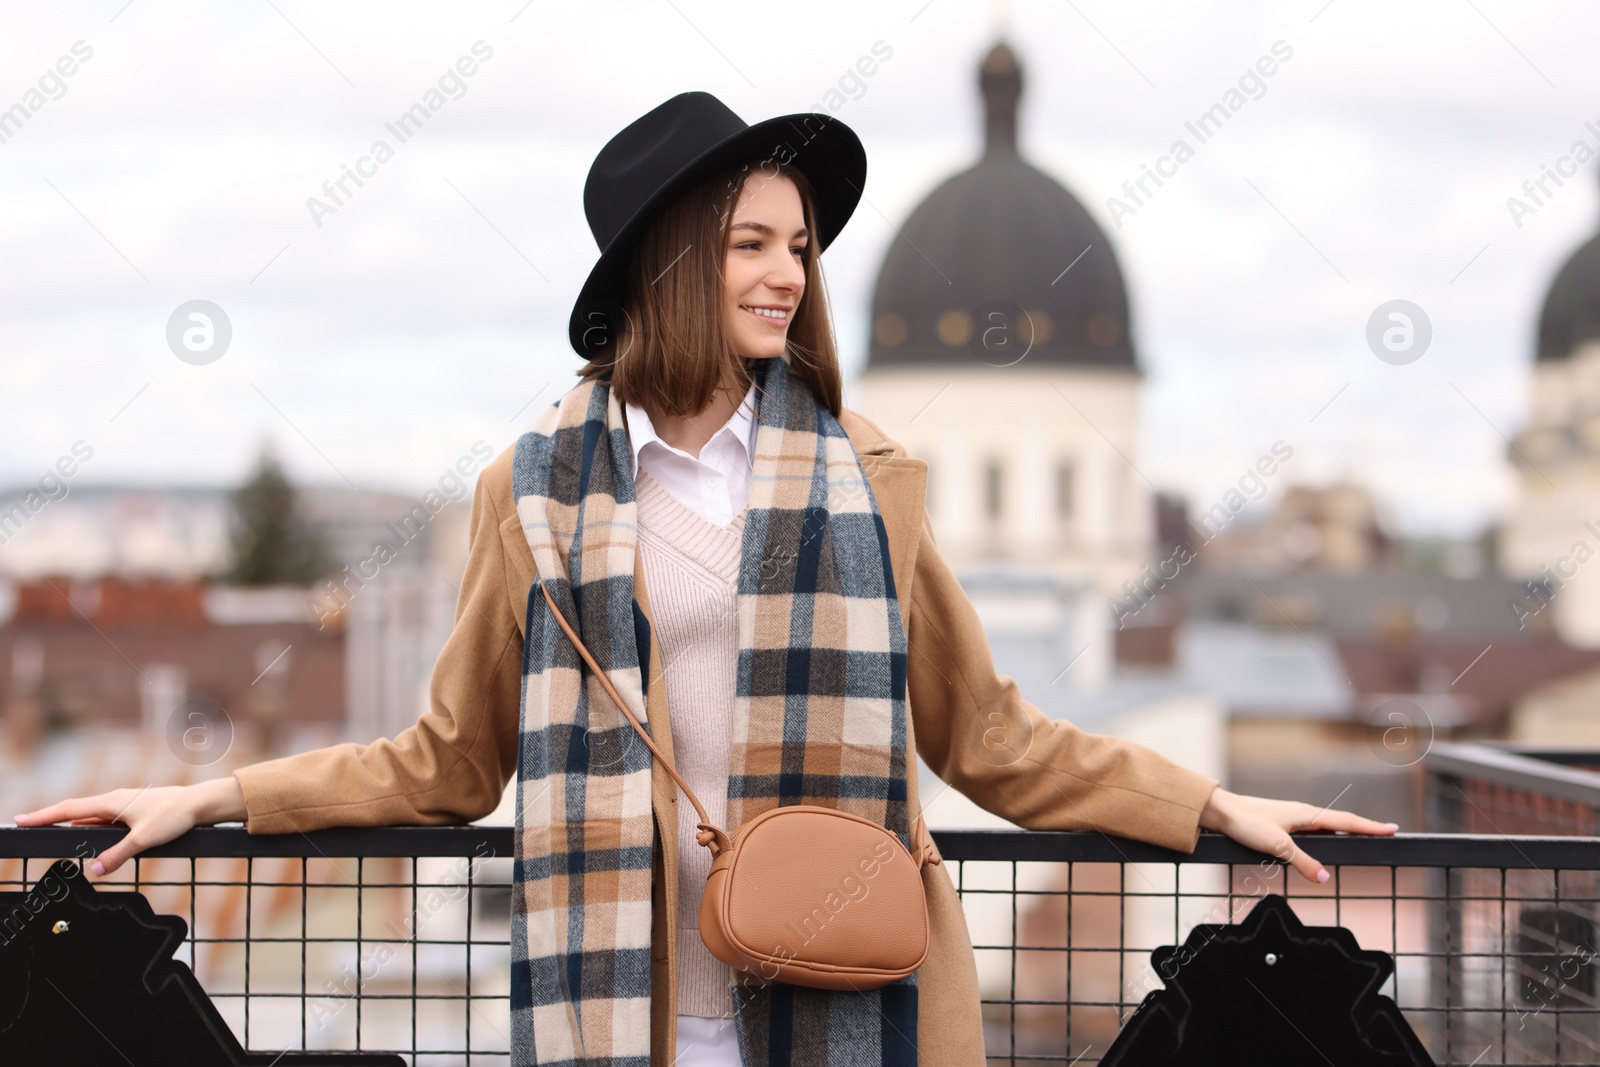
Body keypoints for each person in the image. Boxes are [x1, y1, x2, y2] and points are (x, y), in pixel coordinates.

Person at [17, 92, 1398, 1067]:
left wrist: (1214, 804)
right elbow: (445, 763)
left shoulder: (871, 475)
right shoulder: (536, 495)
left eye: (799, 245)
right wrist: (211, 796)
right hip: (624, 1011)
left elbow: (989, 736)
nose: (790, 272)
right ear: (671, 262)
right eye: (753, 243)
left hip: (856, 997)